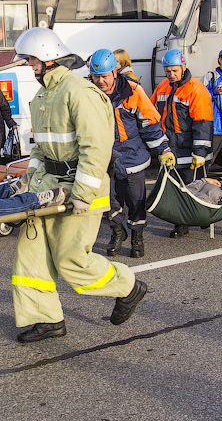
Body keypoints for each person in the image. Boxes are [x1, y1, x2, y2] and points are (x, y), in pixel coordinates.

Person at [9, 27, 147, 344]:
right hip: (48, 187)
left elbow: (95, 149)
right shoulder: (43, 96)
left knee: (71, 260)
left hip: (80, 190)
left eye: (31, 59)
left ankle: (127, 286)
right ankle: (47, 320)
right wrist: (27, 181)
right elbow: (42, 149)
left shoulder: (80, 93)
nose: (28, 65)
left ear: (47, 57)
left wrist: (82, 195)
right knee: (30, 257)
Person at [88, 49, 174, 258]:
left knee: (136, 201)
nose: (100, 81)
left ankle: (137, 237)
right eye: (96, 77)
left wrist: (163, 150)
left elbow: (149, 122)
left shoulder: (133, 91)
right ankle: (118, 233)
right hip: (104, 160)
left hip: (132, 156)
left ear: (115, 72)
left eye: (104, 77)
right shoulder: (88, 94)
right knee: (107, 202)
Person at [151, 49, 214, 239]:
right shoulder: (163, 86)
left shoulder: (196, 89)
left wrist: (200, 152)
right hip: (172, 148)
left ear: (184, 67)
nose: (171, 75)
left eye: (175, 71)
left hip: (191, 149)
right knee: (177, 187)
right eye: (168, 71)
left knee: (195, 186)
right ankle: (181, 223)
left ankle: (203, 217)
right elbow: (153, 113)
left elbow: (203, 123)